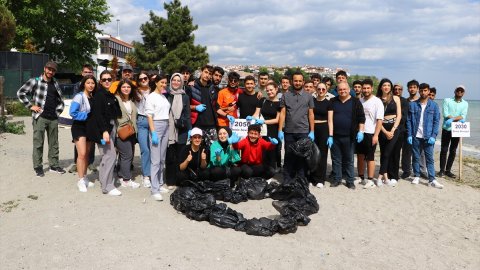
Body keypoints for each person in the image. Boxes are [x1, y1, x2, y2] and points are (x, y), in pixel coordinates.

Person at [17, 61, 66, 177]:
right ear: (44, 68)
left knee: (54, 143)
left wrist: (58, 111)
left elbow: (60, 100)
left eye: (53, 70)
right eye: (49, 69)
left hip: (53, 118)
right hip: (40, 117)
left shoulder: (55, 83)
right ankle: (38, 167)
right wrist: (30, 106)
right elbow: (20, 93)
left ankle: (54, 165)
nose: (51, 71)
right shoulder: (35, 81)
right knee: (38, 143)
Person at [86, 70, 122, 196]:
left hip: (111, 128)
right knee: (110, 156)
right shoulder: (100, 95)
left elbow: (116, 113)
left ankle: (104, 181)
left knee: (106, 157)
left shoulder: (109, 95)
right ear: (100, 82)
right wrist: (104, 131)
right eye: (104, 79)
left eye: (109, 79)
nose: (107, 81)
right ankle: (108, 186)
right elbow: (98, 115)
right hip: (104, 130)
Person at [278, 70, 315, 184]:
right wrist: (280, 130)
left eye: (300, 81)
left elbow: (311, 114)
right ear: (291, 82)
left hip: (303, 131)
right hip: (289, 132)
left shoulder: (309, 97)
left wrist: (312, 131)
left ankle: (301, 181)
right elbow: (283, 113)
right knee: (289, 157)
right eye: (295, 81)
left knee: (302, 158)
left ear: (303, 82)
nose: (297, 83)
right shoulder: (285, 96)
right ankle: (287, 180)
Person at [327, 82, 365, 189]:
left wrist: (361, 131)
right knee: (336, 159)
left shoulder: (356, 102)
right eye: (340, 89)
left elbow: (361, 118)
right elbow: (330, 120)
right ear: (337, 90)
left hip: (350, 136)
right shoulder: (332, 101)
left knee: (349, 160)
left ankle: (349, 180)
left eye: (344, 89)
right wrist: (330, 135)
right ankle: (337, 179)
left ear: (349, 90)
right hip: (335, 136)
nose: (342, 91)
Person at [406, 83, 443, 188]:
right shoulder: (413, 105)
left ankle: (432, 179)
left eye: (425, 90)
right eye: (421, 90)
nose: (423, 92)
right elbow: (408, 120)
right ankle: (417, 176)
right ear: (419, 91)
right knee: (416, 157)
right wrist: (409, 134)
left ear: (428, 91)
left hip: (428, 137)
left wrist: (433, 136)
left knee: (429, 158)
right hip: (415, 136)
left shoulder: (434, 106)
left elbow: (436, 122)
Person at [145, 74, 171, 201]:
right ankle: (154, 189)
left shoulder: (163, 96)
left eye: (165, 83)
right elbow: (149, 115)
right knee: (155, 160)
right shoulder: (151, 97)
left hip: (166, 125)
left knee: (161, 158)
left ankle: (160, 184)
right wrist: (153, 131)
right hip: (157, 125)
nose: (164, 85)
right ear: (156, 82)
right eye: (161, 82)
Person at [69, 75, 97, 192]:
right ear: (84, 84)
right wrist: (87, 116)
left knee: (87, 155)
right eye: (88, 83)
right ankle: (80, 180)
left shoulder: (93, 96)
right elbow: (72, 113)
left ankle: (85, 177)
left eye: (93, 83)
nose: (91, 85)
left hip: (89, 128)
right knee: (82, 153)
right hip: (79, 127)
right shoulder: (79, 96)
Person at [165, 73, 191, 189]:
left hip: (182, 130)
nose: (176, 82)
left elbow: (188, 114)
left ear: (181, 82)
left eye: (178, 80)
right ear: (171, 81)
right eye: (174, 80)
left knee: (180, 156)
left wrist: (189, 129)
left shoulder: (185, 96)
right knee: (170, 157)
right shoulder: (166, 95)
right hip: (169, 130)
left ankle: (179, 180)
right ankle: (170, 181)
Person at [357, 79, 384, 188]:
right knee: (360, 156)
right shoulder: (360, 101)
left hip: (371, 132)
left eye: (368, 88)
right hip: (360, 132)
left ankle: (370, 179)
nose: (366, 90)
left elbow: (379, 120)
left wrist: (376, 135)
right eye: (364, 88)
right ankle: (361, 177)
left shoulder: (377, 101)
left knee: (370, 157)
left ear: (372, 88)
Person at [115, 79, 141, 189]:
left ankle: (121, 175)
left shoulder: (131, 101)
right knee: (128, 155)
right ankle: (126, 179)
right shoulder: (116, 99)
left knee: (124, 155)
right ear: (120, 88)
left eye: (128, 87)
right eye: (124, 87)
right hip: (121, 131)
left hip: (131, 132)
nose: (126, 89)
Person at [438, 85, 468, 178]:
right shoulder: (447, 100)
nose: (459, 92)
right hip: (447, 128)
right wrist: (455, 119)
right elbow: (446, 114)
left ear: (463, 93)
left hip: (457, 129)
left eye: (461, 91)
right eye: (458, 90)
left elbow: (463, 116)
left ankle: (448, 170)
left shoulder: (465, 103)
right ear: (454, 91)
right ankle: (442, 170)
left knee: (453, 150)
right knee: (444, 149)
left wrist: (454, 119)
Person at [376, 79, 402, 187]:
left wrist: (392, 130)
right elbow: (376, 118)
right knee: (383, 153)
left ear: (390, 87)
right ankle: (386, 177)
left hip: (394, 128)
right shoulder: (377, 99)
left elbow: (399, 115)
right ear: (381, 87)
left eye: (388, 85)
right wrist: (385, 131)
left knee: (388, 152)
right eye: (384, 85)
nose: (386, 87)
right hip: (382, 127)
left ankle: (379, 177)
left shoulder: (395, 98)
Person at [252, 82, 281, 171]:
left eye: (271, 90)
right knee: (261, 149)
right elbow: (256, 113)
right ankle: (261, 169)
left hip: (273, 129)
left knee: (272, 150)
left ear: (276, 89)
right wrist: (249, 119)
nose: (269, 92)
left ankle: (271, 170)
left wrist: (263, 121)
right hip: (262, 129)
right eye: (267, 90)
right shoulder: (263, 100)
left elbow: (277, 120)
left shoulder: (280, 103)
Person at [187, 65, 218, 148]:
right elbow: (185, 106)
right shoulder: (191, 87)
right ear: (201, 72)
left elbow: (216, 106)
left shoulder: (213, 88)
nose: (207, 75)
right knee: (197, 151)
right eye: (206, 72)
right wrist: (195, 107)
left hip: (211, 126)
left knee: (214, 152)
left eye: (210, 73)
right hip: (197, 125)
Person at [310, 83, 331, 188]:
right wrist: (311, 131)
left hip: (324, 129)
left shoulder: (329, 103)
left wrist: (330, 135)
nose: (321, 91)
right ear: (316, 90)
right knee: (313, 154)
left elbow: (330, 120)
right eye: (319, 89)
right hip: (313, 128)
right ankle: (312, 177)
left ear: (326, 90)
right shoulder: (312, 101)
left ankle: (320, 179)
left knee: (322, 154)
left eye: (323, 89)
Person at [135, 71, 152, 188]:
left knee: (154, 148)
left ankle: (154, 173)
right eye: (141, 79)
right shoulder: (135, 92)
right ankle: (146, 175)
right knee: (145, 149)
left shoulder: (155, 90)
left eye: (145, 78)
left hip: (154, 121)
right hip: (141, 121)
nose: (143, 80)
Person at [400, 79, 420, 179]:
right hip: (405, 130)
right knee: (406, 151)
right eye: (410, 87)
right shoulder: (405, 101)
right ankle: (406, 170)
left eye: (414, 87)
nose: (412, 89)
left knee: (418, 152)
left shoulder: (420, 102)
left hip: (417, 130)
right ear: (408, 89)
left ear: (417, 89)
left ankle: (419, 171)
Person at [392, 82, 410, 181]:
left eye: (399, 89)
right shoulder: (391, 100)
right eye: (395, 89)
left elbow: (404, 116)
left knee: (401, 152)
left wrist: (393, 118)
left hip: (401, 130)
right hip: (390, 129)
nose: (397, 91)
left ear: (402, 90)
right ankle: (390, 170)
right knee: (391, 152)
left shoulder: (404, 101)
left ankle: (402, 172)